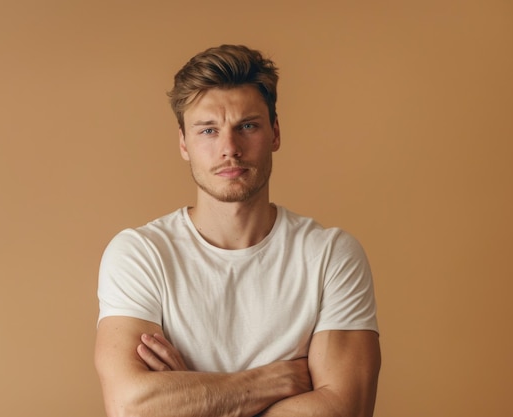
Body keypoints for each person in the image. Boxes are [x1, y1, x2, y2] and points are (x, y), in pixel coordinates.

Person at [94, 44, 381, 417]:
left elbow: (344, 410)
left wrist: (195, 400)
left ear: (275, 133)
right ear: (184, 144)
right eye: (208, 130)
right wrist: (270, 382)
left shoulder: (329, 255)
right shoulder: (140, 254)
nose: (230, 148)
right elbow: (129, 407)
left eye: (247, 126)